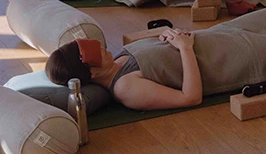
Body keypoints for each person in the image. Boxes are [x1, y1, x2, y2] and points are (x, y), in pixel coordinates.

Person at [45, 32, 203, 111]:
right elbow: (190, 98)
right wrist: (185, 48)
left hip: (213, 35)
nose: (101, 47)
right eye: (95, 53)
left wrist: (167, 36)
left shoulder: (117, 58)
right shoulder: (125, 87)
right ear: (92, 73)